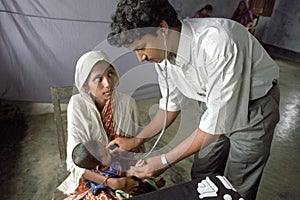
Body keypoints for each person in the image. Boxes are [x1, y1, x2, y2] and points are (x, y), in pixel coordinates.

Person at [106, 0, 280, 199]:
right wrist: (136, 140)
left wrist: (164, 161)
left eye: (142, 48)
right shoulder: (163, 55)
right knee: (203, 172)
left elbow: (217, 121)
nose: (140, 58)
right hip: (211, 106)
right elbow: (170, 105)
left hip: (254, 108)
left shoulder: (217, 42)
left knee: (238, 184)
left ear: (162, 29)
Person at [57, 50, 151, 199]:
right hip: (94, 178)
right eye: (98, 79)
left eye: (110, 74)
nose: (108, 83)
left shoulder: (127, 103)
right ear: (86, 86)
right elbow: (74, 162)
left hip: (126, 171)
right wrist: (110, 182)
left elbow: (137, 147)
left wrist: (130, 174)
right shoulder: (77, 105)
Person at [72, 140, 163, 198]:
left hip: (127, 178)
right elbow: (126, 175)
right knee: (140, 186)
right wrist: (132, 169)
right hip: (126, 189)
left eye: (104, 147)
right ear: (100, 166)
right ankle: (153, 188)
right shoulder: (109, 171)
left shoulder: (107, 161)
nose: (108, 150)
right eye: (105, 153)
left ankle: (153, 185)